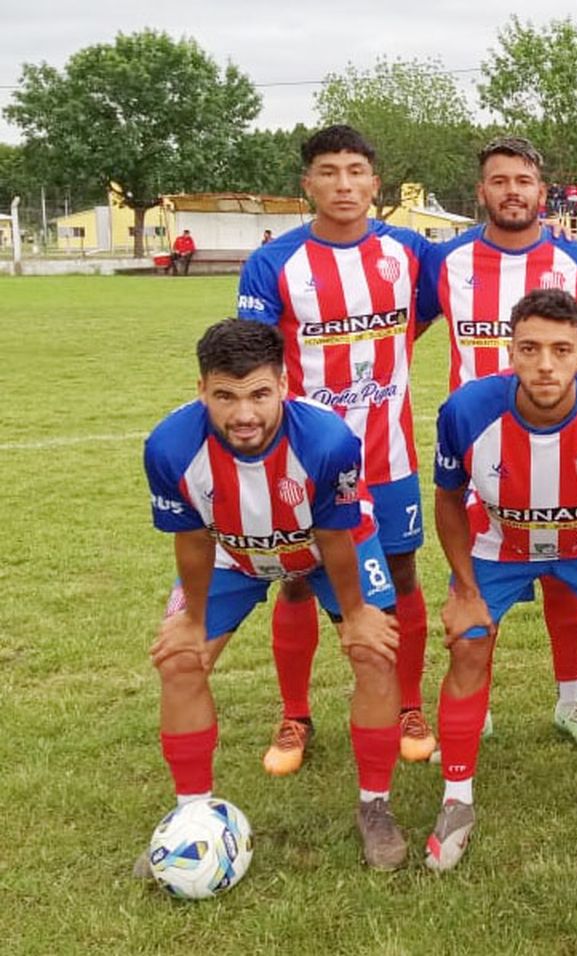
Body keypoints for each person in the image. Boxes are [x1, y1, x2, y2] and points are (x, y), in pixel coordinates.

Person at [142, 318, 407, 870]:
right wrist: (190, 619)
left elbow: (335, 533)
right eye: (225, 397)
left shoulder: (328, 441)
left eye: (259, 394)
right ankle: (192, 817)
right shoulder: (168, 447)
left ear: (284, 385)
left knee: (375, 654)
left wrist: (356, 614)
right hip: (227, 551)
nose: (243, 414)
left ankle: (375, 807)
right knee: (180, 661)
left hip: (325, 546)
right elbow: (191, 539)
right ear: (201, 391)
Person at [426, 288, 577, 867]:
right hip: (499, 543)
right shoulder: (465, 410)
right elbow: (448, 501)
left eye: (562, 350)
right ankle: (457, 798)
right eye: (529, 349)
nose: (544, 365)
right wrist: (463, 590)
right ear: (509, 351)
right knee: (467, 646)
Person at [237, 125, 438, 775]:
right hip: (306, 462)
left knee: (402, 576)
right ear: (308, 184)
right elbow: (256, 361)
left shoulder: (409, 252)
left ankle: (409, 704)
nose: (344, 184)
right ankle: (295, 714)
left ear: (375, 183)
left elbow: (430, 312)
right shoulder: (274, 264)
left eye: (356, 171)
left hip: (391, 457)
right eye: (329, 171)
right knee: (297, 579)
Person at [423, 135, 577, 750]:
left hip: (568, 443)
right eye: (499, 180)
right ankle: (474, 706)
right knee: (481, 580)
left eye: (523, 180)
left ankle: (571, 703)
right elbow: (398, 332)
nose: (512, 191)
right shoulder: (447, 262)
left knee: (564, 577)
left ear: (542, 191)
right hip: (481, 451)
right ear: (481, 190)